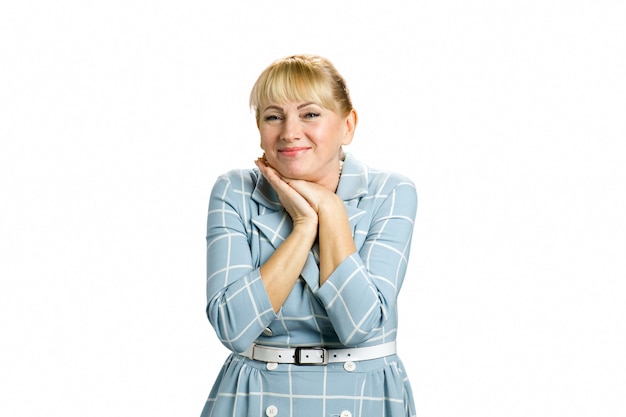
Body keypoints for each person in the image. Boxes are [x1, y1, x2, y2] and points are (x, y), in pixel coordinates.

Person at [201, 54, 418, 417]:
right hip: (255, 397)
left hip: (363, 396)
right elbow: (232, 327)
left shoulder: (391, 192)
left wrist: (330, 210)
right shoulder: (235, 190)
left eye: (310, 114)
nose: (289, 132)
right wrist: (304, 226)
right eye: (273, 116)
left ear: (348, 125)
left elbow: (361, 326)